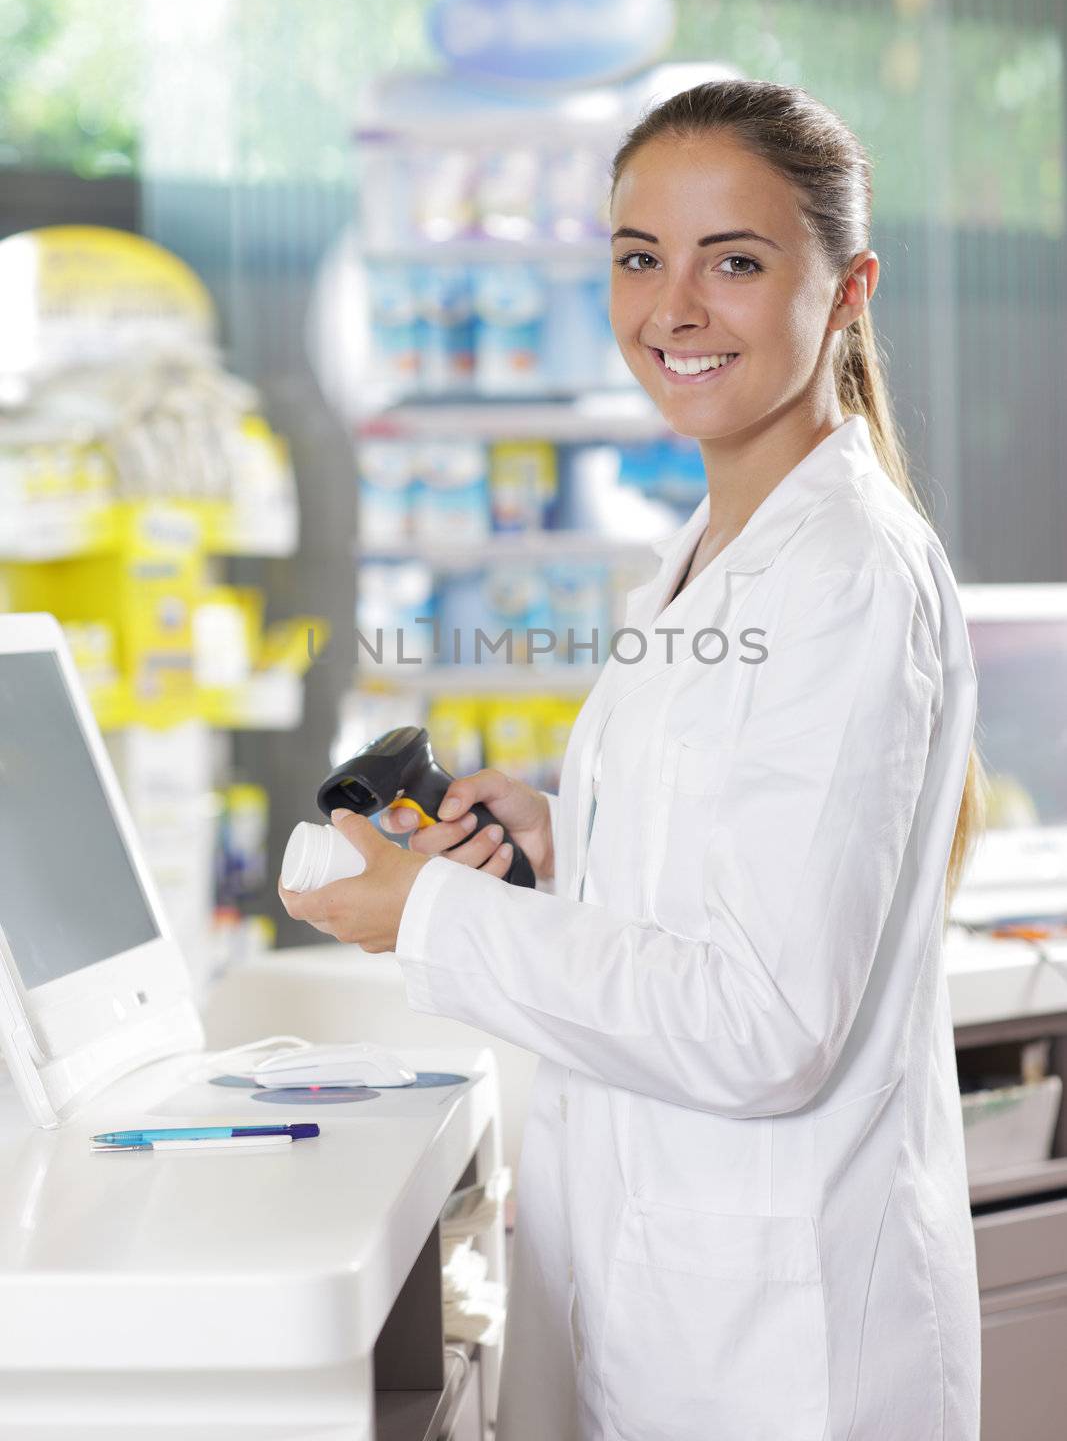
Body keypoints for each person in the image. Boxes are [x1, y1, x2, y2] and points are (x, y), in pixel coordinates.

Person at [280, 78, 988, 1441]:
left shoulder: (842, 574)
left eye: (734, 260)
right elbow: (724, 867)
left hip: (777, 1354)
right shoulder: (706, 551)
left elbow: (766, 1023)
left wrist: (429, 912)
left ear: (848, 292)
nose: (674, 308)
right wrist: (566, 843)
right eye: (637, 259)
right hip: (667, 1302)